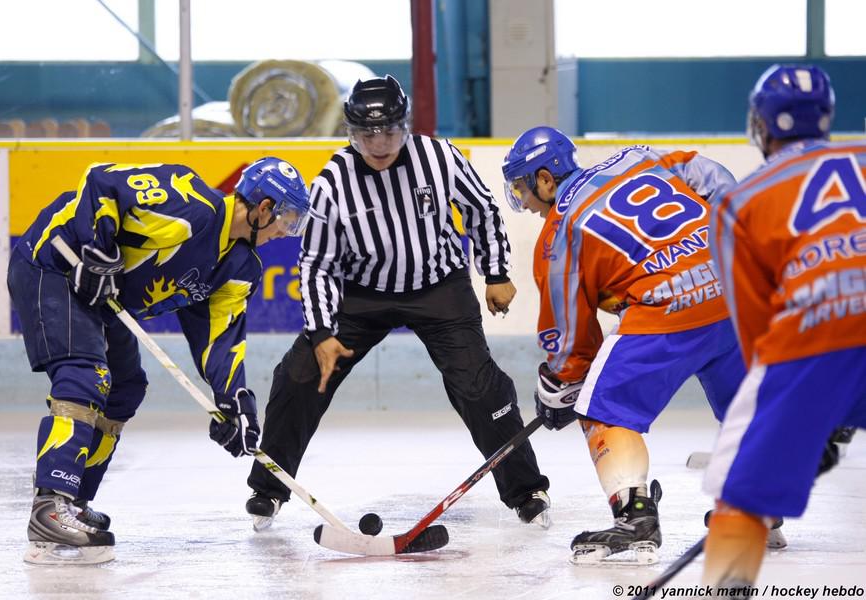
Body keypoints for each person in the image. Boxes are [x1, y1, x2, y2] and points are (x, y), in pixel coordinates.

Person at [244, 75, 551, 531]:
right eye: (367, 134)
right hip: (361, 293)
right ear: (351, 133)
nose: (379, 144)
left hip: (438, 286)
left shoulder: (440, 158)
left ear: (404, 126)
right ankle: (269, 488)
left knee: (480, 387)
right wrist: (322, 332)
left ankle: (526, 490)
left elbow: (482, 209)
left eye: (388, 131)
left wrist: (496, 272)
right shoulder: (332, 183)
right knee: (299, 375)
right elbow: (318, 264)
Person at [8, 157, 310, 564]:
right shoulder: (187, 200)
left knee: (125, 388)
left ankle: (73, 501)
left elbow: (220, 339)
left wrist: (233, 400)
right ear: (264, 207)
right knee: (86, 375)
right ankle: (50, 505)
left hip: (103, 298)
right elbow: (101, 181)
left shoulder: (239, 267)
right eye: (287, 219)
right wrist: (98, 249)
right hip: (55, 264)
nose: (286, 231)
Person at [501, 126, 747, 565]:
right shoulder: (637, 158)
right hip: (734, 286)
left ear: (545, 179)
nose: (525, 202)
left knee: (603, 408)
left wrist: (561, 384)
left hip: (668, 307)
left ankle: (635, 519)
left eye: (522, 188)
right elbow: (711, 174)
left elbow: (570, 341)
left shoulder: (559, 235)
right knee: (743, 405)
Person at [702, 64, 866, 593]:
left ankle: (728, 584)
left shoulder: (739, 201)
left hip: (813, 339)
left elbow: (757, 332)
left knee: (739, 492)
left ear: (762, 124)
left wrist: (802, 420)